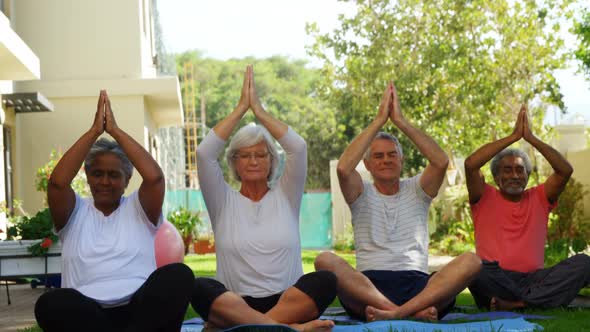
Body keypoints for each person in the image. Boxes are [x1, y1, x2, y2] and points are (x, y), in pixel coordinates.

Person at [315, 82, 481, 322]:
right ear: (368, 165)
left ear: (401, 161)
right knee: (324, 260)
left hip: (419, 288)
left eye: (392, 154)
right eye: (378, 156)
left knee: (472, 261)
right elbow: (343, 168)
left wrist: (400, 121)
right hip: (368, 290)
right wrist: (378, 121)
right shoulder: (360, 192)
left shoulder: (416, 189)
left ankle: (396, 314)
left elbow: (440, 161)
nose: (386, 160)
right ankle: (406, 313)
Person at [191, 65, 337, 331]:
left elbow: (299, 147)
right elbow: (204, 154)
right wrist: (240, 110)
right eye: (245, 155)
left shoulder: (286, 195)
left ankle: (247, 327)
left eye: (261, 155)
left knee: (325, 280)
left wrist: (258, 110)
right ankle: (288, 329)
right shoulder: (222, 200)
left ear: (272, 161)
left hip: (287, 299)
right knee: (198, 286)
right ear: (234, 163)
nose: (253, 161)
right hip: (237, 302)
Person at [34, 90, 194, 332]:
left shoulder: (139, 209)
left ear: (127, 179)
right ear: (87, 177)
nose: (105, 182)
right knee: (50, 303)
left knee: (178, 275)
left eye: (114, 175)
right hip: (88, 314)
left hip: (140, 311)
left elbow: (155, 178)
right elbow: (57, 183)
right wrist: (94, 132)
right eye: (98, 174)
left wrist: (116, 131)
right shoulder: (74, 211)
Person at [465, 104, 590, 310]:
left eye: (519, 170)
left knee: (584, 263)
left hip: (533, 281)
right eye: (507, 170)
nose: (514, 175)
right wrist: (513, 137)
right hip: (494, 279)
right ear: (496, 177)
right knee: (473, 266)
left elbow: (564, 170)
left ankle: (518, 304)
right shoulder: (483, 195)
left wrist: (531, 138)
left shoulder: (539, 197)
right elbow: (471, 164)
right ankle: (535, 300)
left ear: (527, 176)